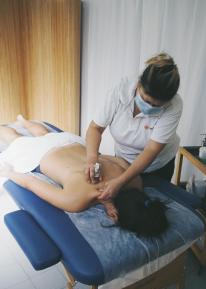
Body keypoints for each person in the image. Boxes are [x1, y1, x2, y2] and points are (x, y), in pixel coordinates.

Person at [0, 116, 168, 237]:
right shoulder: (76, 201)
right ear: (115, 215)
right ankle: (19, 124)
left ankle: (23, 120)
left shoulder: (134, 179)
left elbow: (105, 158)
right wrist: (8, 172)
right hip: (41, 154)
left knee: (45, 134)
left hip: (73, 142)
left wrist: (107, 197)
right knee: (15, 138)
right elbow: (30, 183)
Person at [85, 52, 182, 201]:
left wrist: (121, 181)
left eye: (156, 106)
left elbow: (151, 149)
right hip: (122, 160)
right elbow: (95, 128)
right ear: (138, 84)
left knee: (147, 204)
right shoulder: (119, 92)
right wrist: (92, 158)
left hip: (157, 166)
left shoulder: (174, 106)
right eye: (145, 99)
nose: (148, 107)